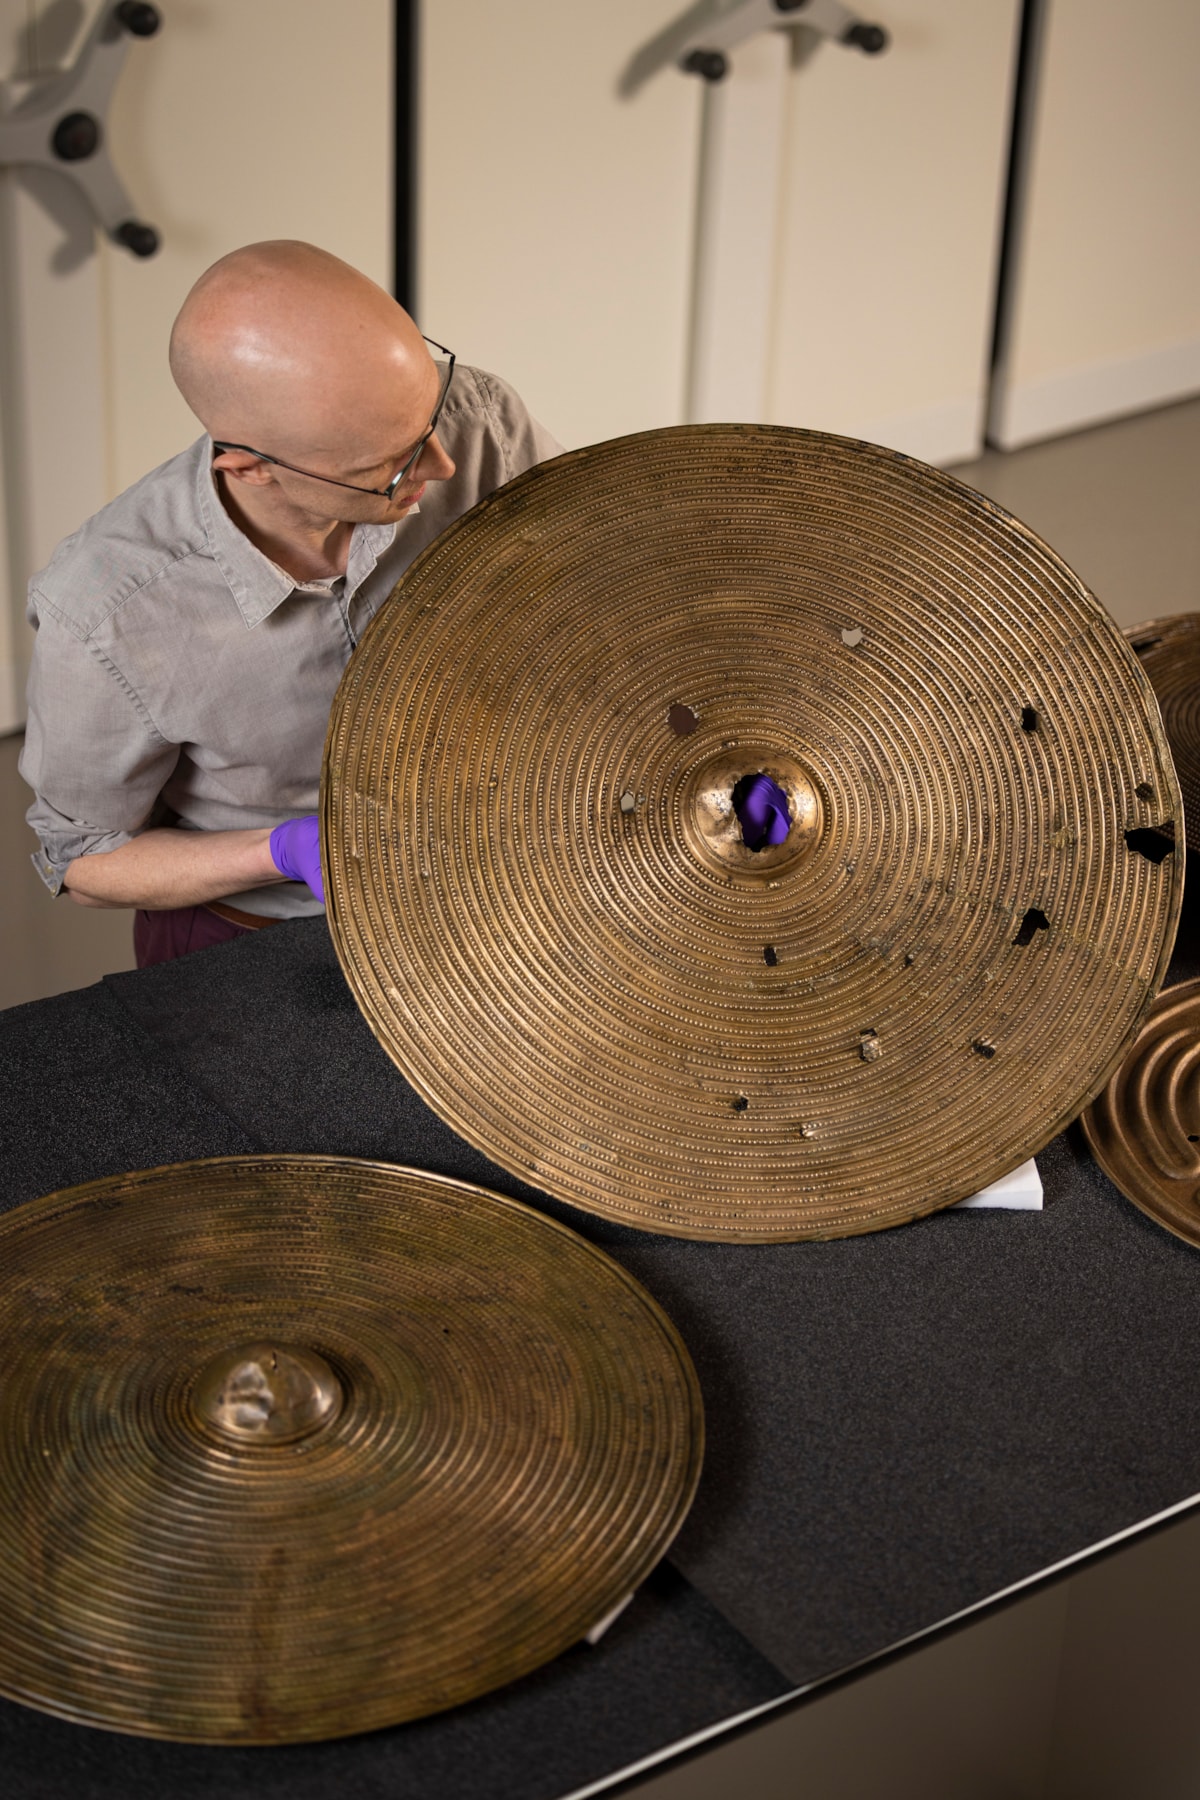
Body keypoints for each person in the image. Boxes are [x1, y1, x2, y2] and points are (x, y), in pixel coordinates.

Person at [20, 240, 563, 967]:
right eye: (390, 465)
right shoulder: (103, 611)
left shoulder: (478, 419)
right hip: (260, 937)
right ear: (250, 468)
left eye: (426, 420)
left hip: (497, 874)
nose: (444, 467)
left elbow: (598, 592)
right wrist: (281, 851)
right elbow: (84, 862)